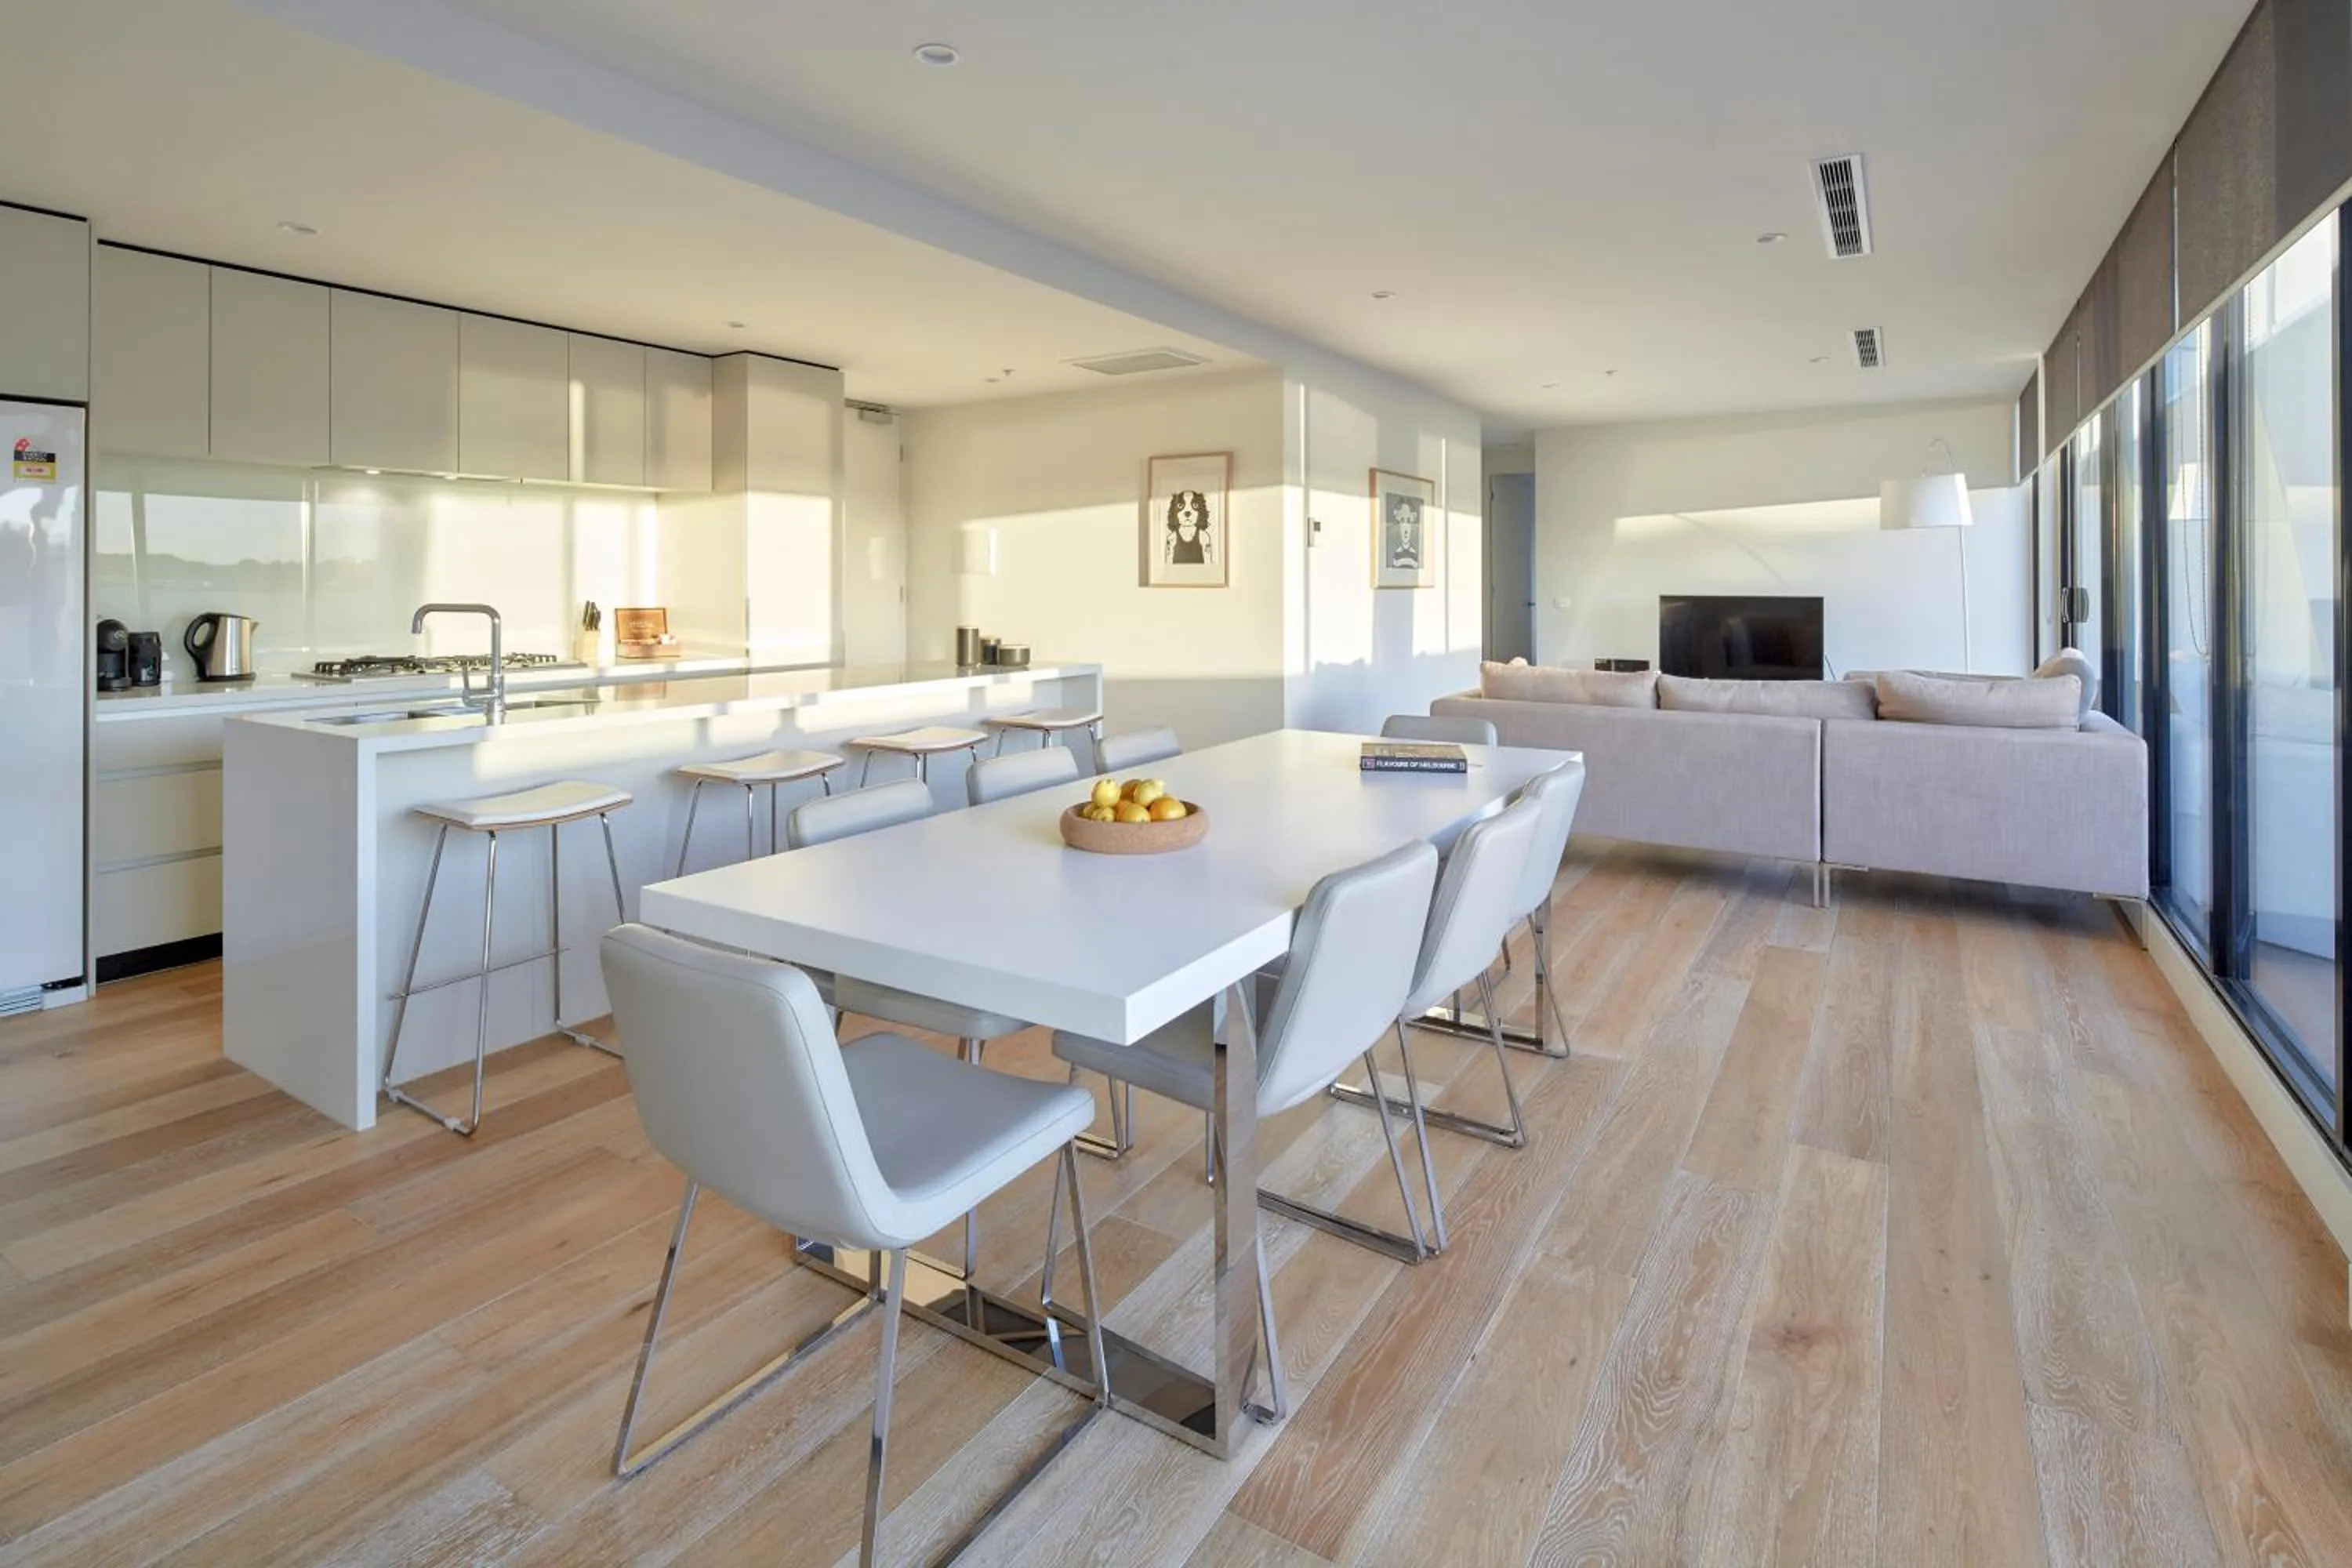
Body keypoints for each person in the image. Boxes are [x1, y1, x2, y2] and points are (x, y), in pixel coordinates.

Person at [1165, 489, 1214, 564]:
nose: (1187, 511)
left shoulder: (1204, 536)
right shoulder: (1171, 538)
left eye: (1195, 505)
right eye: (1180, 506)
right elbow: (1168, 564)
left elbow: (1208, 563)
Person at [1385, 494, 1422, 569]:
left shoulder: (1414, 554)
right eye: (1402, 521)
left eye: (1408, 521)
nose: (1406, 530)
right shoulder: (1396, 554)